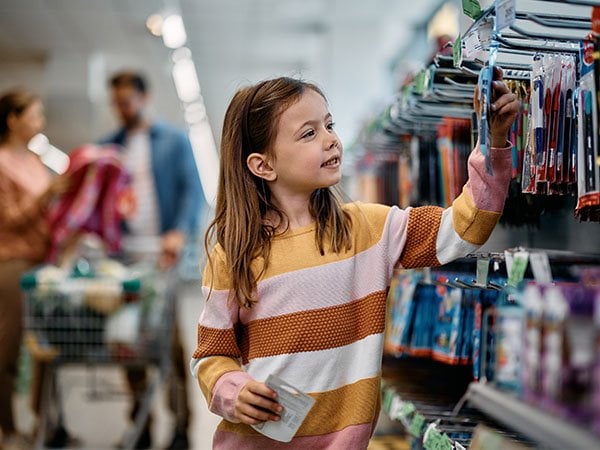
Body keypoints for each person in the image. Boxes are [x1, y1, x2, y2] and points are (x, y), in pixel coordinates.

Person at [190, 73, 518, 449]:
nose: (331, 139)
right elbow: (211, 353)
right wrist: (234, 391)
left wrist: (493, 141)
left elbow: (464, 226)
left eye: (329, 125)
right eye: (309, 133)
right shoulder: (235, 253)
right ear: (263, 166)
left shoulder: (368, 230)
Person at [100, 70, 205, 450]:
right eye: (116, 102)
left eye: (127, 101)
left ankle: (180, 427)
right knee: (126, 341)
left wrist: (179, 231)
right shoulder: (110, 147)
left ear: (145, 97)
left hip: (162, 260)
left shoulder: (173, 141)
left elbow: (192, 192)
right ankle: (140, 424)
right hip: (123, 260)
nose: (121, 109)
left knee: (168, 344)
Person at [0, 88, 68, 450]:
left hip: (42, 263)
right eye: (34, 115)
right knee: (8, 347)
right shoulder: (2, 163)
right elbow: (9, 218)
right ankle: (7, 428)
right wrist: (45, 195)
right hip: (12, 265)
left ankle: (45, 421)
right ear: (13, 120)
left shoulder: (33, 161)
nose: (40, 122)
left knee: (46, 346)